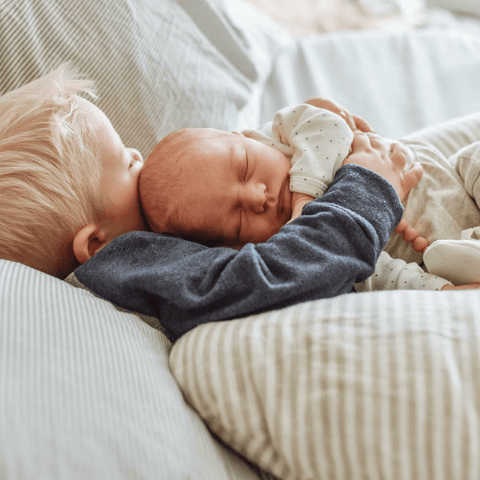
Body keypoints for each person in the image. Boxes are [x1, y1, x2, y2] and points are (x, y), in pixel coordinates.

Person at [0, 66, 421, 342]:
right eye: (127, 161)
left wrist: (300, 138)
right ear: (95, 244)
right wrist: (369, 187)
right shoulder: (130, 263)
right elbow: (273, 277)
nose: (141, 158)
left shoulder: (145, 242)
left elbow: (235, 184)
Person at [138, 99, 480, 291]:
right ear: (235, 247)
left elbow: (328, 126)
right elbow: (374, 272)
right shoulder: (300, 239)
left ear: (247, 138)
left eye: (244, 168)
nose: (258, 197)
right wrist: (441, 290)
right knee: (439, 259)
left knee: (473, 159)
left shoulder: (286, 133)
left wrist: (306, 195)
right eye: (239, 220)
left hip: (451, 180)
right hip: (443, 243)